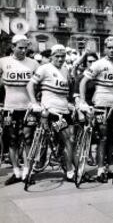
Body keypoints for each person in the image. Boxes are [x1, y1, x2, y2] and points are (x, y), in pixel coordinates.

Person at [79, 36, 113, 183]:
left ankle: (111, 168)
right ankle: (100, 170)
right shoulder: (98, 64)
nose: (112, 50)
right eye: (109, 48)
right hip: (100, 104)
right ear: (105, 48)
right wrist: (82, 100)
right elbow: (83, 82)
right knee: (102, 138)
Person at [27, 44, 75, 182]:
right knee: (64, 139)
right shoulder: (44, 68)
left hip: (64, 110)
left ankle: (68, 168)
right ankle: (69, 170)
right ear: (51, 57)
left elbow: (67, 91)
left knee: (70, 140)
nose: (60, 59)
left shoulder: (66, 70)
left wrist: (71, 103)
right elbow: (30, 85)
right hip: (51, 111)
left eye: (63, 56)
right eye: (57, 56)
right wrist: (34, 103)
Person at [0, 35, 39, 185]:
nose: (23, 51)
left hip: (28, 108)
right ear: (12, 47)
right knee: (12, 141)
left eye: (25, 48)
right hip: (10, 108)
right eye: (20, 48)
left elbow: (40, 84)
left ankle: (27, 172)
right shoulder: (3, 62)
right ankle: (16, 171)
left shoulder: (34, 63)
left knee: (28, 139)